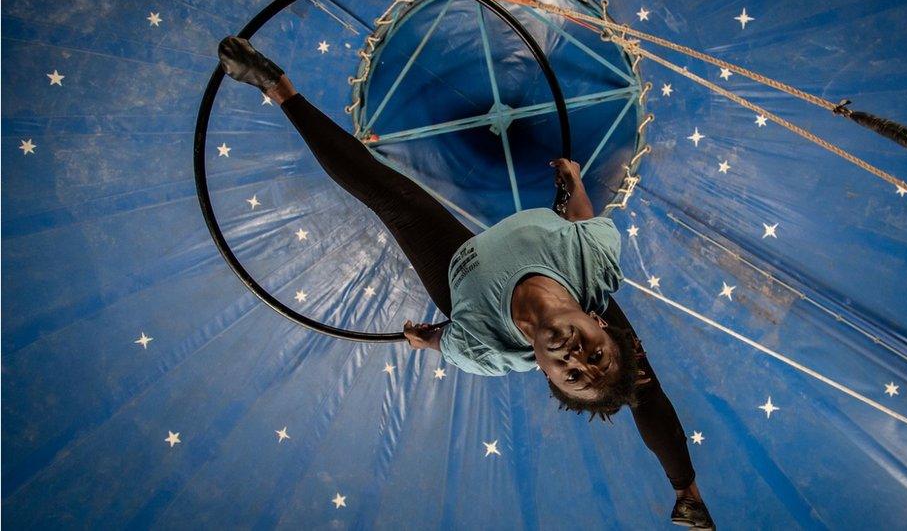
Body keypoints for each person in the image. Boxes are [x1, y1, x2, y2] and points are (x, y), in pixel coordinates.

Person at [218, 36, 715, 530]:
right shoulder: (595, 259)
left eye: (570, 375)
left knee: (383, 193)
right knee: (636, 381)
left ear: (543, 371)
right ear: (598, 322)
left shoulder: (485, 350)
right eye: (593, 355)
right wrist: (574, 185)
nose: (576, 359)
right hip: (559, 259)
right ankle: (686, 488)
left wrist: (423, 338)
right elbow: (583, 224)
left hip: (464, 272)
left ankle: (275, 85)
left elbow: (443, 342)